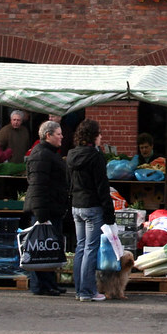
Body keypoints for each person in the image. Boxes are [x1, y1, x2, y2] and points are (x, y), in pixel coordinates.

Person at [66, 118, 115, 302]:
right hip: (92, 206)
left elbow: (68, 182)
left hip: (76, 206)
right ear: (94, 136)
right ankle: (88, 291)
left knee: (80, 247)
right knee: (90, 248)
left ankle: (79, 289)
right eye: (99, 134)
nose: (101, 137)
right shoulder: (96, 157)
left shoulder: (71, 155)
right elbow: (102, 186)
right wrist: (109, 214)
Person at [23, 120, 68, 296]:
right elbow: (38, 186)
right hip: (45, 210)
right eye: (58, 134)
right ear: (48, 135)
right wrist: (41, 214)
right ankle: (41, 285)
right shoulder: (41, 155)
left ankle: (50, 283)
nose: (62, 137)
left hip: (51, 208)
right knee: (40, 247)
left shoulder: (48, 153)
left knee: (49, 248)